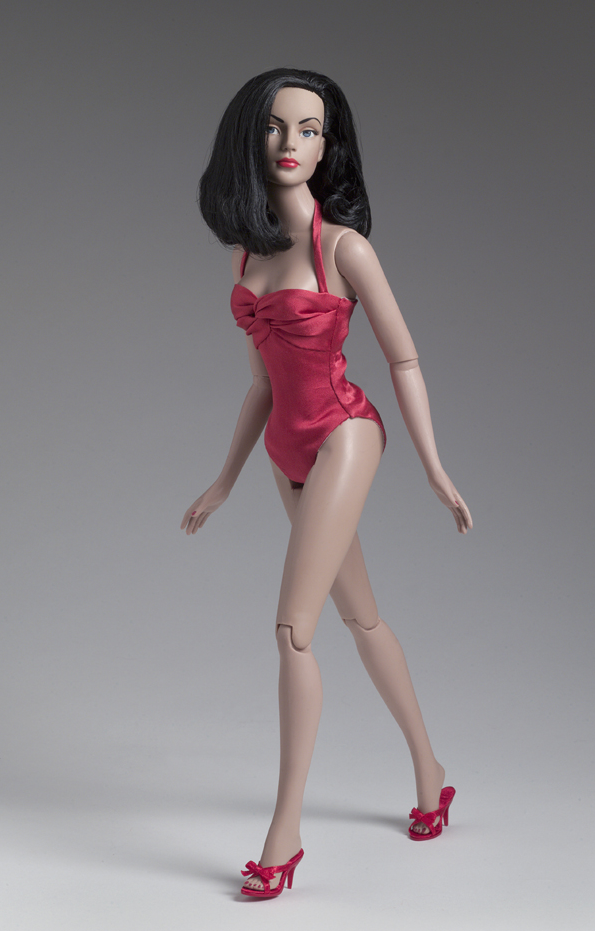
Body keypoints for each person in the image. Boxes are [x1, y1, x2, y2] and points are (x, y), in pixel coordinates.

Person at [181, 68, 472, 899]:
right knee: (359, 616)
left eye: (308, 129)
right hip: (285, 447)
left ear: (327, 146)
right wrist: (224, 479)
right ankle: (431, 770)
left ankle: (284, 833)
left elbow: (403, 359)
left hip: (344, 434)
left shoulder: (343, 249)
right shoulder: (244, 254)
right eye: (275, 127)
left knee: (292, 630)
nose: (290, 143)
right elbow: (261, 385)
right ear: (249, 138)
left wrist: (434, 466)